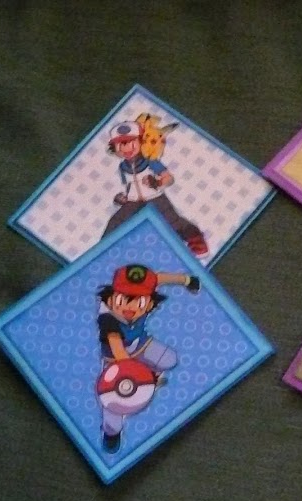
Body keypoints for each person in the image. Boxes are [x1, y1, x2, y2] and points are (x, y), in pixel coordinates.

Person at [96, 263, 200, 452]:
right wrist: (139, 376)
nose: (130, 308)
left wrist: (187, 280)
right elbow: (118, 349)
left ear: (150, 304)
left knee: (170, 359)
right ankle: (111, 433)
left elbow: (159, 278)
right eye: (122, 300)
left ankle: (152, 375)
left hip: (142, 346)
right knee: (112, 402)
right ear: (110, 299)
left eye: (140, 303)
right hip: (116, 363)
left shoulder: (150, 291)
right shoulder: (107, 319)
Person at [102, 120, 209, 257]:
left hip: (155, 198)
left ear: (142, 142)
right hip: (133, 202)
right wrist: (122, 198)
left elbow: (169, 178)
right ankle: (104, 251)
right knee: (116, 222)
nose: (126, 148)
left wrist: (157, 183)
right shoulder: (123, 167)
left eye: (131, 142)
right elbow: (129, 187)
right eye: (120, 145)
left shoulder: (150, 162)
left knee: (173, 221)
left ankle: (197, 243)